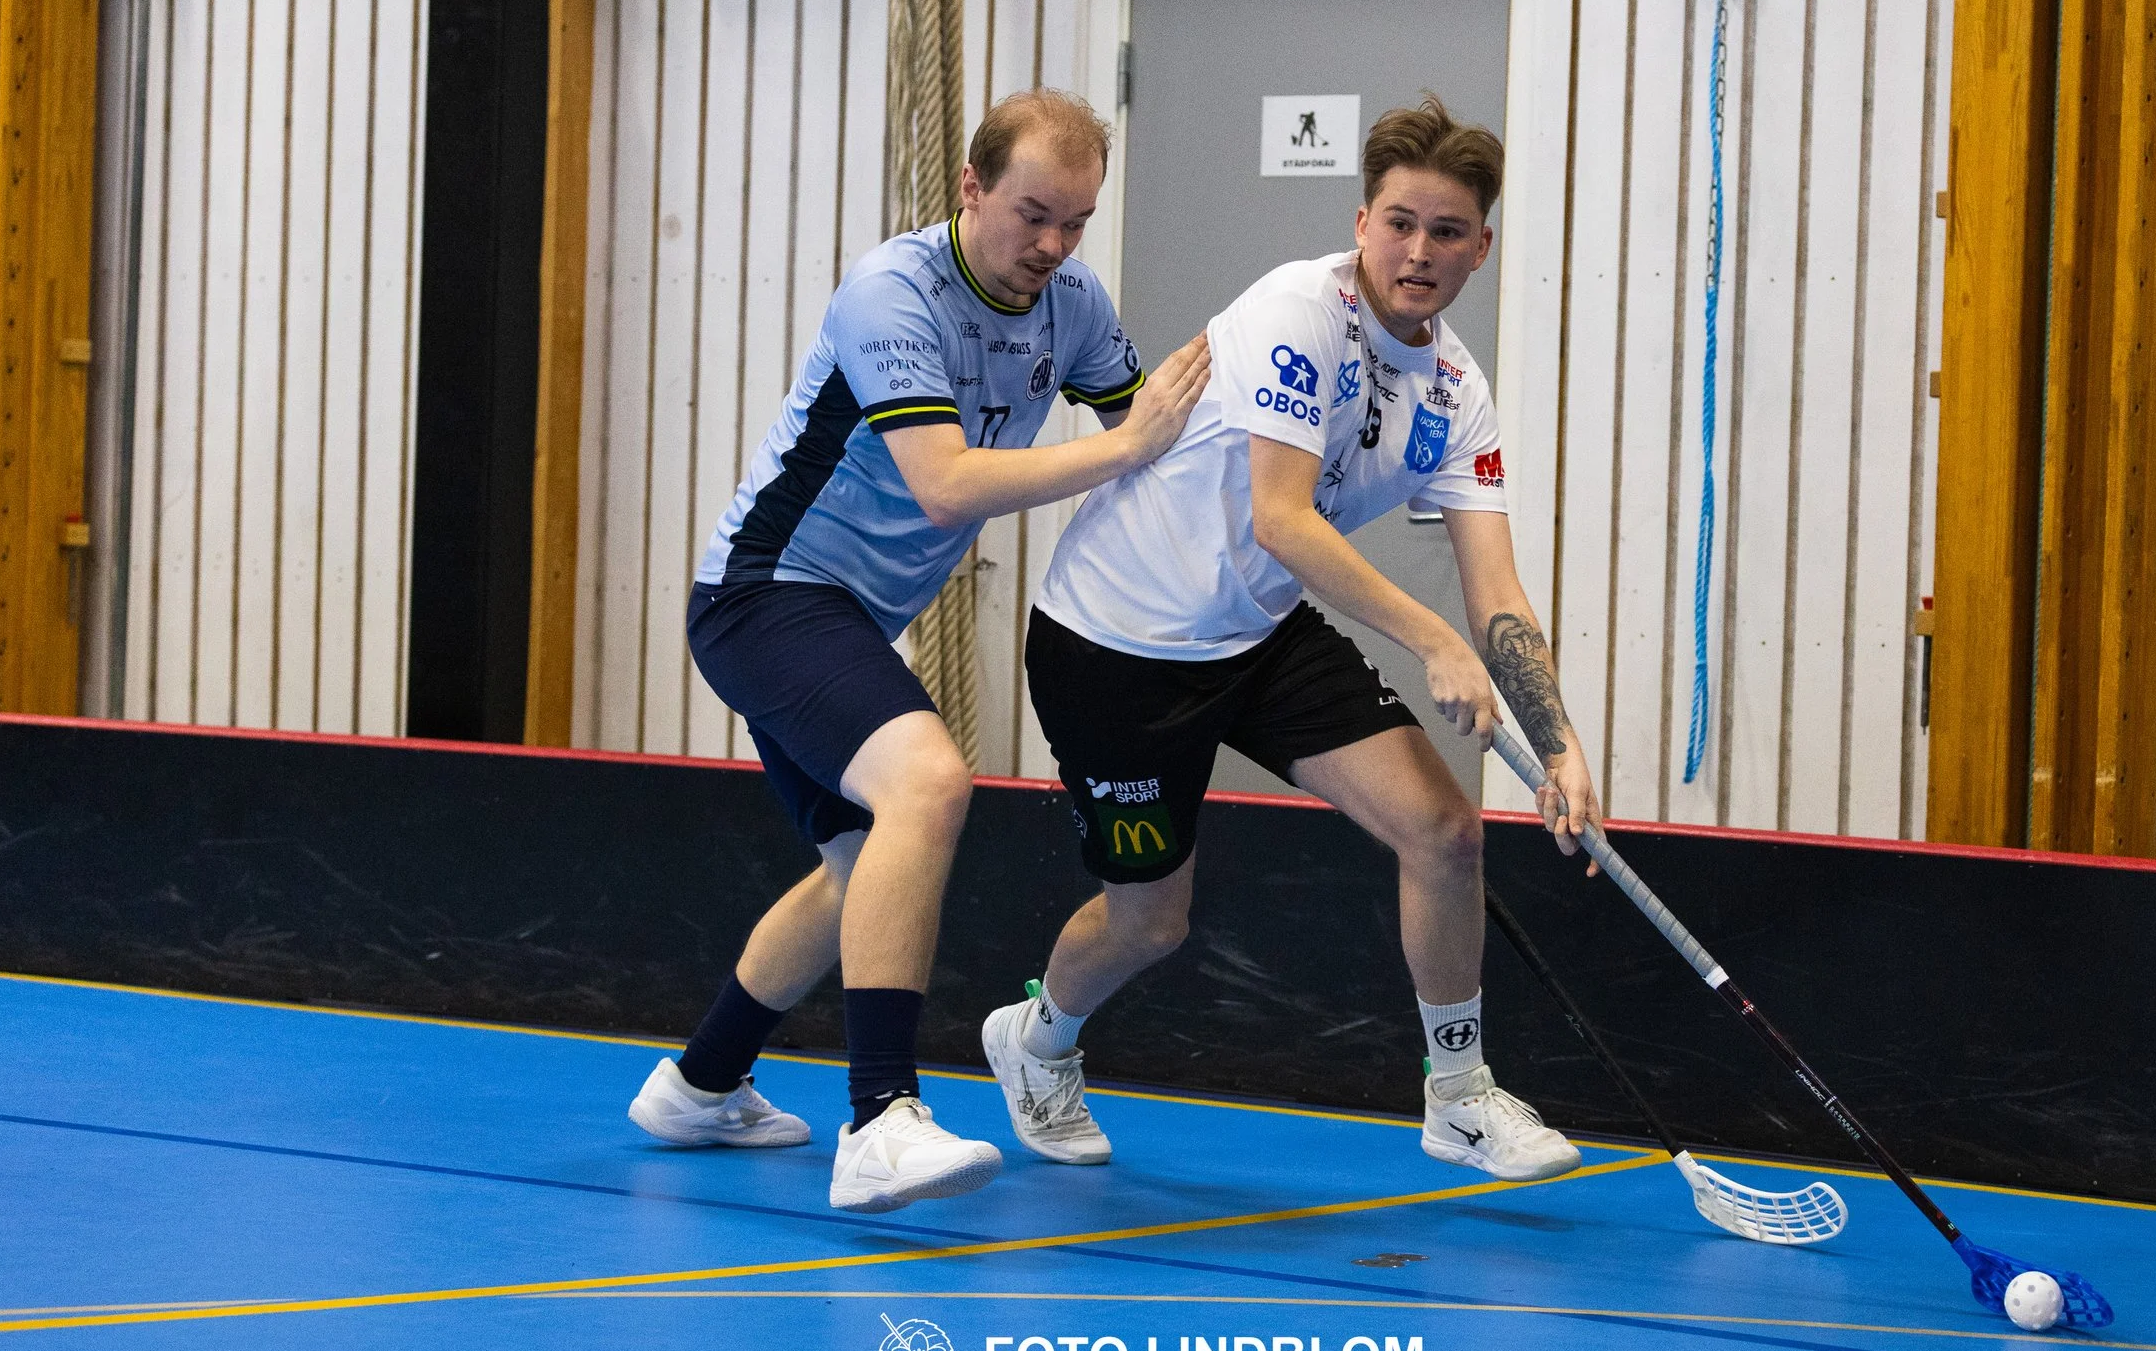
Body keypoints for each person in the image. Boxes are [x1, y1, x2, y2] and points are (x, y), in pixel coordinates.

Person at [982, 96, 1601, 1182]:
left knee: (1446, 830)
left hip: (1257, 627)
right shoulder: (1296, 310)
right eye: (1400, 222)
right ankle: (1034, 1041)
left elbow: (1497, 593)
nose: (1419, 251)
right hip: (1115, 640)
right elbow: (1283, 515)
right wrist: (1428, 641)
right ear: (1362, 222)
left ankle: (1457, 1093)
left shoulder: (1458, 393)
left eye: (1446, 232)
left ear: (1479, 249)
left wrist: (1559, 743)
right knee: (1150, 921)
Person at [624, 88, 1210, 1214]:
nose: (1051, 245)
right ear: (971, 187)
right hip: (767, 594)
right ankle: (880, 1117)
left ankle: (698, 1083)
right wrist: (1126, 446)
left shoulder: (1070, 304)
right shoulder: (890, 291)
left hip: (846, 618)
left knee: (859, 867)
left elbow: (1155, 444)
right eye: (1031, 212)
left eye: (1077, 221)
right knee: (931, 782)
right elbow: (944, 485)